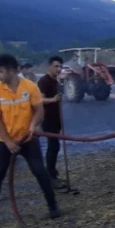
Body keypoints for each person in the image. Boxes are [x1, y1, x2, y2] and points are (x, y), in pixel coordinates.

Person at [0, 53, 59, 226]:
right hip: (4, 141)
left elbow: (39, 111)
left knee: (39, 171)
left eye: (0, 72)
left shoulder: (30, 87)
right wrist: (8, 142)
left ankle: (53, 206)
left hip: (28, 139)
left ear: (12, 71)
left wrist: (33, 126)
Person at [37, 55, 66, 187]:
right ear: (49, 67)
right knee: (53, 147)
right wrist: (53, 100)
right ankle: (50, 176)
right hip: (48, 118)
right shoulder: (44, 81)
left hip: (56, 117)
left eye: (60, 66)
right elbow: (40, 100)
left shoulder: (56, 81)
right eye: (56, 66)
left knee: (55, 146)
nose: (58, 69)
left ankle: (53, 173)